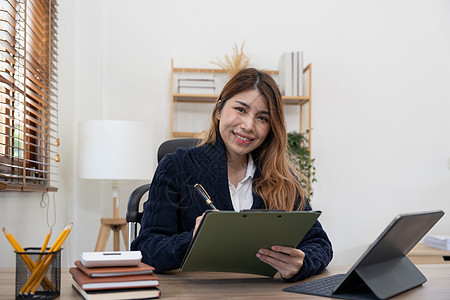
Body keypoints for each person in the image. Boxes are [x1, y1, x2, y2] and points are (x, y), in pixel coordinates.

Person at [131, 68, 332, 281]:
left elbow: (320, 244)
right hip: (195, 294)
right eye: (240, 109)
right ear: (219, 110)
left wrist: (302, 263)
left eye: (262, 118)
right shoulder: (176, 167)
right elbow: (146, 248)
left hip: (262, 295)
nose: (248, 126)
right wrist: (192, 240)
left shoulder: (282, 178)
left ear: (271, 127)